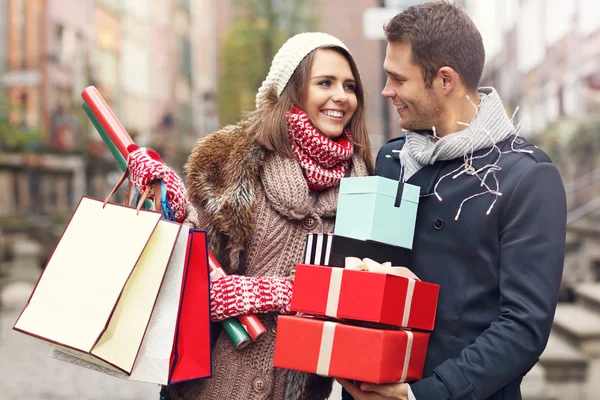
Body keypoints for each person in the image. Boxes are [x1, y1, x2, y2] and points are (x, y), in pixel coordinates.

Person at [126, 32, 374, 400]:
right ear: (291, 90)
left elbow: (364, 303)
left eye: (350, 86)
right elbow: (183, 268)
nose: (342, 96)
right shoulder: (229, 160)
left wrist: (271, 293)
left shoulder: (366, 186)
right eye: (325, 82)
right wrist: (168, 201)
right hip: (207, 389)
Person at [338, 2, 567, 400]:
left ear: (444, 80)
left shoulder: (527, 177)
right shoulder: (392, 159)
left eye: (398, 78)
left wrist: (418, 395)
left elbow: (523, 327)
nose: (386, 90)